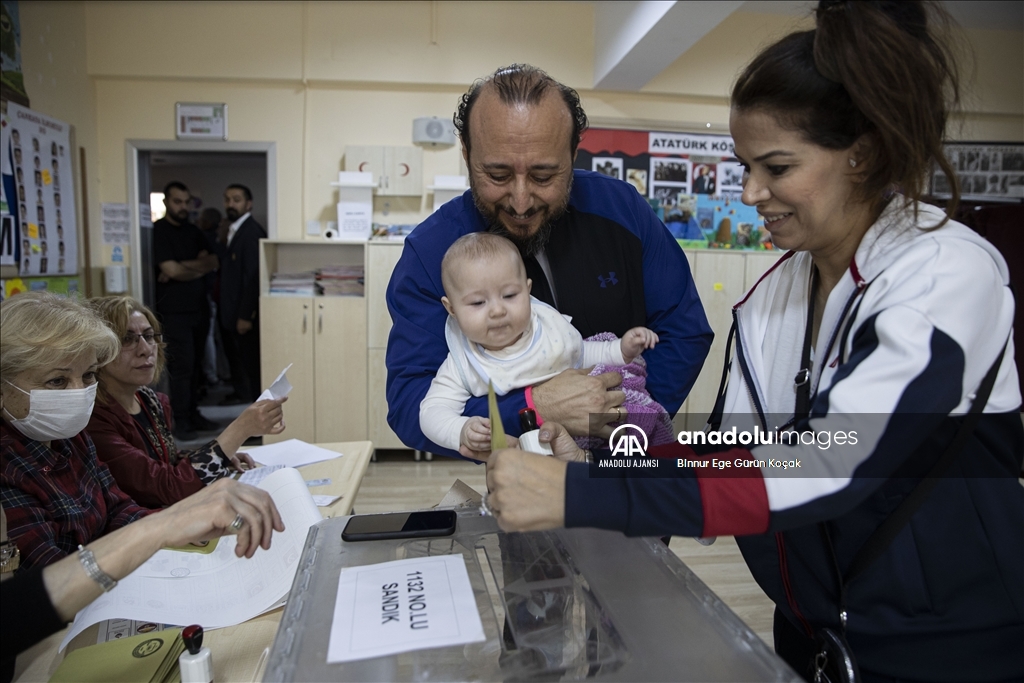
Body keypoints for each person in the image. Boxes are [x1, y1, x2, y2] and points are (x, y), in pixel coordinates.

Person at [484, 3, 1023, 682]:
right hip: (811, 637)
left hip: (950, 648)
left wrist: (581, 492)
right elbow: (732, 448)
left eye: (776, 166)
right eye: (745, 165)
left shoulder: (945, 273)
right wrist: (605, 454)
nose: (750, 192)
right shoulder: (770, 298)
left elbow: (830, 459)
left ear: (863, 153)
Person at [386, 64, 713, 458]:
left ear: (574, 152)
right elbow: (411, 404)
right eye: (497, 174)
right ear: (467, 152)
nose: (521, 201)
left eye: (543, 176)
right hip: (516, 473)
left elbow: (684, 331)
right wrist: (532, 409)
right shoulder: (431, 252)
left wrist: (619, 421)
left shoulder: (622, 210)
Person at [1, 476, 284, 682]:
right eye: (56, 387)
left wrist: (164, 526)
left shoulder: (75, 440)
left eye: (89, 387)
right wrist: (161, 527)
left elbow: (118, 508)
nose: (80, 392)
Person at [420, 233, 661, 457]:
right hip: (525, 463)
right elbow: (431, 413)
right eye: (478, 302)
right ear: (451, 309)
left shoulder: (547, 330)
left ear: (527, 290)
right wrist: (461, 429)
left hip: (589, 452)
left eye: (510, 296)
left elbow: (581, 353)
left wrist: (620, 350)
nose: (497, 310)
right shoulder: (465, 363)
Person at [0, 292, 153, 570]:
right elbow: (53, 576)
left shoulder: (70, 436)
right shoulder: (7, 465)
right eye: (57, 380)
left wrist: (169, 530)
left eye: (88, 375)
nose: (79, 393)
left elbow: (119, 509)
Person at [87, 296, 287, 508]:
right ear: (98, 352)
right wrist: (239, 430)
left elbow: (166, 461)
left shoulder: (149, 399)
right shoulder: (94, 420)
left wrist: (221, 455)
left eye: (148, 336)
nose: (145, 349)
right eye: (127, 339)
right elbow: (169, 487)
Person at [152, 181, 218, 439]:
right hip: (174, 312)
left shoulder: (194, 231)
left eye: (185, 202)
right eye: (177, 201)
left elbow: (212, 261)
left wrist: (183, 268)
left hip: (199, 309)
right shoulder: (159, 231)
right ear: (167, 202)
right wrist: (191, 267)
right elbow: (171, 270)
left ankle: (194, 413)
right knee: (182, 368)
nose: (182, 207)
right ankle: (181, 421)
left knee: (198, 367)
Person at [219, 184, 266, 403]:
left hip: (243, 318)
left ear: (248, 204)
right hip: (231, 314)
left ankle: (253, 427)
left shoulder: (251, 232)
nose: (231, 204)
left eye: (236, 199)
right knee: (239, 367)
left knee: (250, 372)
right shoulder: (233, 230)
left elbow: (253, 277)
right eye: (228, 199)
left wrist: (245, 315)